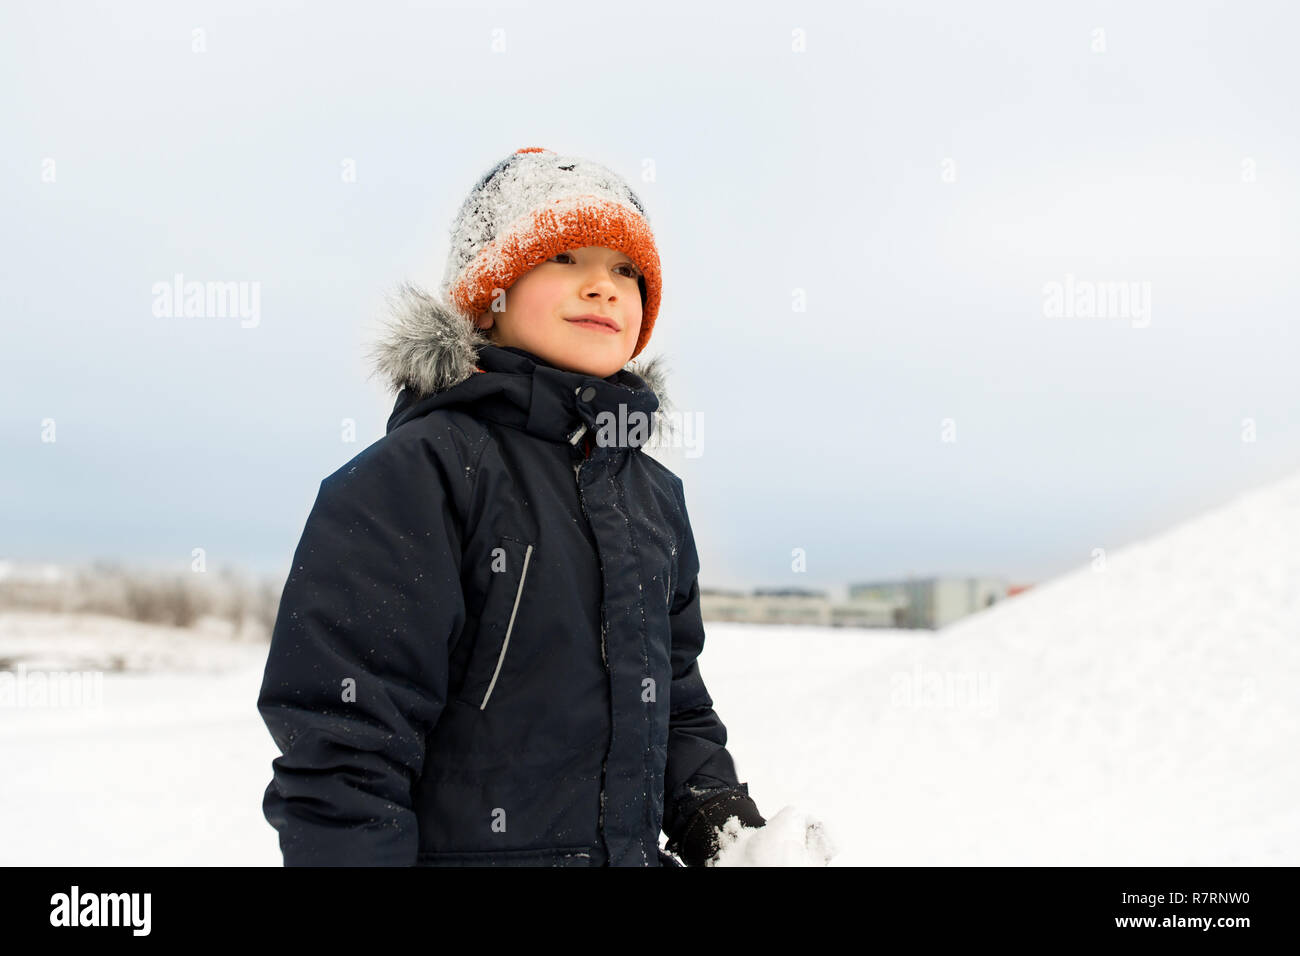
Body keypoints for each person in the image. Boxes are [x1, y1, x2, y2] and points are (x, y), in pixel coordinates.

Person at [256, 146, 768, 867]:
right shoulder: (420, 476)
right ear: (486, 298)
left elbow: (675, 702)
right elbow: (345, 749)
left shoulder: (653, 498)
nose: (604, 287)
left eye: (626, 270)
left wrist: (728, 830)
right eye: (565, 257)